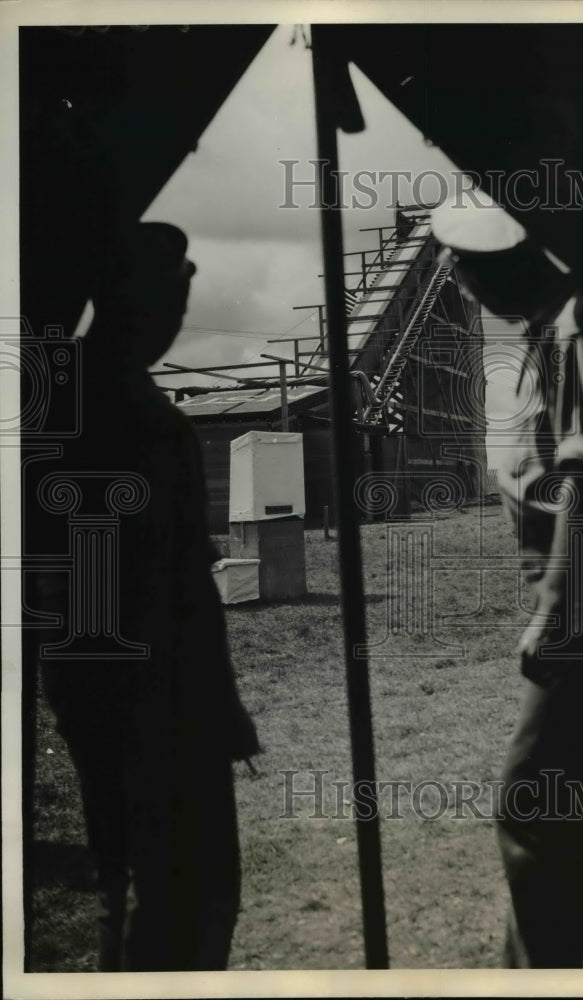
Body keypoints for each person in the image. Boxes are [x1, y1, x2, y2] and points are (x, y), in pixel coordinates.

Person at [432, 196, 583, 967]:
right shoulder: (553, 329)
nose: (467, 289)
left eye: (468, 274)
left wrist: (559, 614)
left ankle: (565, 971)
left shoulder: (575, 326)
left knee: (535, 802)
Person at [35, 222, 259, 971]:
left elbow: (191, 578)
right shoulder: (91, 409)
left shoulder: (124, 403)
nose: (173, 316)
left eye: (182, 297)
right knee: (161, 891)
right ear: (113, 295)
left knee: (180, 887)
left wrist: (219, 701)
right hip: (131, 695)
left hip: (167, 694)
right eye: (163, 297)